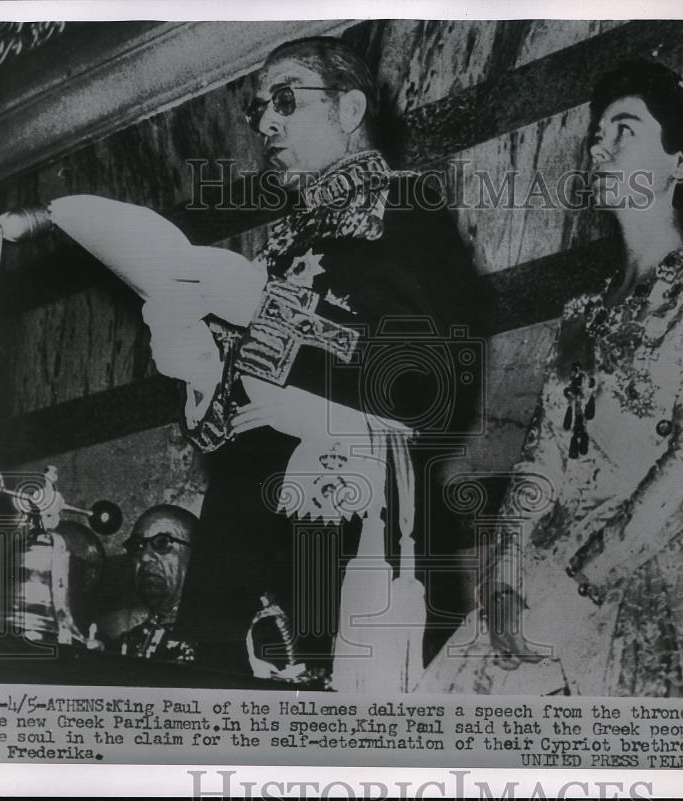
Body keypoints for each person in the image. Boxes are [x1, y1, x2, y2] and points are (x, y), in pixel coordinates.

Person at [417, 60, 683, 698]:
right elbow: (540, 461)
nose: (599, 144)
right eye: (597, 132)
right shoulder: (581, 313)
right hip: (551, 557)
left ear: (680, 162)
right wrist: (506, 574)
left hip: (662, 555)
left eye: (625, 129)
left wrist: (585, 579)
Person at [171, 36, 484, 690]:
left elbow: (429, 385)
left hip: (352, 543)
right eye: (259, 109)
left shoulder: (404, 215)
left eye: (285, 99)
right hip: (248, 561)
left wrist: (289, 342)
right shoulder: (281, 245)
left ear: (348, 109)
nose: (266, 123)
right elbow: (235, 430)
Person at [105, 504, 198, 663]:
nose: (144, 557)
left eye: (162, 542)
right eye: (137, 546)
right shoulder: (125, 643)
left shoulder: (215, 646)